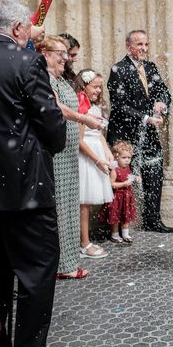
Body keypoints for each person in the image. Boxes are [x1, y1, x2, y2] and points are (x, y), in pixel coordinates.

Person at [0, 0, 66, 347]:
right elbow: (53, 128)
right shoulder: (27, 62)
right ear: (17, 28)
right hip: (27, 194)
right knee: (35, 281)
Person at [36, 35, 104, 280]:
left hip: (68, 154)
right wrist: (85, 119)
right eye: (61, 53)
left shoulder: (61, 78)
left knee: (68, 205)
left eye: (67, 53)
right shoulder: (42, 78)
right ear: (45, 53)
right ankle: (59, 265)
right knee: (59, 208)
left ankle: (67, 261)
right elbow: (57, 108)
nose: (66, 58)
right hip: (56, 154)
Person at [107, 30, 173, 233]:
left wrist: (162, 103)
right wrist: (145, 118)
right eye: (139, 45)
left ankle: (152, 220)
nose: (144, 48)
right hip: (125, 134)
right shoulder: (119, 69)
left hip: (149, 134)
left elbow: (163, 91)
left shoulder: (151, 67)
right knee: (121, 179)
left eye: (146, 44)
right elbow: (119, 105)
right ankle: (116, 227)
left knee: (154, 173)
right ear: (129, 46)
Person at [75, 69, 113, 259]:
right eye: (95, 86)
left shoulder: (93, 105)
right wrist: (97, 160)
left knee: (88, 203)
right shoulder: (81, 107)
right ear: (84, 86)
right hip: (86, 158)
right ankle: (84, 243)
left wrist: (106, 152)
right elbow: (80, 141)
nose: (99, 90)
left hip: (96, 153)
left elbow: (98, 135)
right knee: (84, 204)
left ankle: (85, 240)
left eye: (100, 87)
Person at [100, 141, 139, 243]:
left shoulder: (127, 168)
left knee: (126, 215)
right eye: (124, 158)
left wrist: (135, 178)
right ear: (117, 157)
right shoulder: (115, 170)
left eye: (129, 158)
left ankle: (125, 234)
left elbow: (129, 177)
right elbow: (111, 184)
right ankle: (115, 234)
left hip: (126, 197)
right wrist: (123, 184)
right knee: (115, 216)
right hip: (116, 198)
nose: (127, 160)